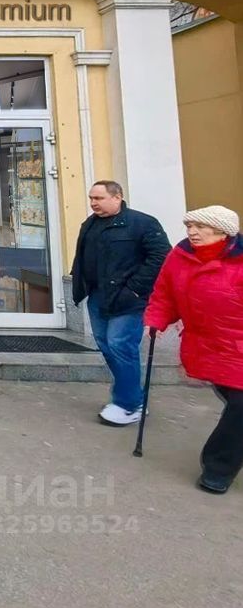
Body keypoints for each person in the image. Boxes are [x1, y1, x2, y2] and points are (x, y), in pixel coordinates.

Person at [145, 205, 243, 494]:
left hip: (238, 346)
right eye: (189, 226)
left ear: (223, 232)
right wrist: (156, 319)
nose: (192, 232)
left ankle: (218, 468)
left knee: (240, 406)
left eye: (200, 226)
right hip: (207, 345)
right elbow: (165, 291)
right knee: (237, 405)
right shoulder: (180, 256)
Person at [70, 180, 170, 426]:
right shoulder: (90, 224)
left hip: (128, 299)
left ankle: (127, 404)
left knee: (120, 345)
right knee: (106, 345)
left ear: (117, 197)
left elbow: (161, 257)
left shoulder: (142, 223)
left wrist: (135, 289)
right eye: (91, 198)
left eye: (99, 198)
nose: (93, 203)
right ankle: (134, 398)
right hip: (98, 295)